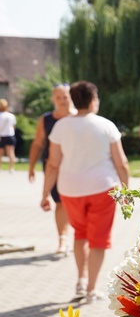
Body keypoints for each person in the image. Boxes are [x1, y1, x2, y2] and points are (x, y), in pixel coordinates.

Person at [40, 81, 129, 300]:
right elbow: (121, 163)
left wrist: (44, 194)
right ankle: (91, 289)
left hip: (70, 190)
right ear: (93, 100)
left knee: (80, 234)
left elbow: (52, 164)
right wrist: (126, 191)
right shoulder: (106, 125)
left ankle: (80, 280)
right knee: (98, 239)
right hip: (103, 188)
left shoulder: (61, 126)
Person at [28, 84, 76, 256]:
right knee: (60, 202)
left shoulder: (79, 117)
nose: (62, 101)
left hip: (75, 166)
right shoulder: (47, 119)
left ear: (71, 97)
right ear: (53, 99)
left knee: (74, 203)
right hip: (52, 166)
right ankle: (63, 239)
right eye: (58, 97)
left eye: (65, 97)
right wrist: (31, 167)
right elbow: (38, 143)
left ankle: (78, 237)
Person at [0, 98, 17, 173]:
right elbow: (14, 127)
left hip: (1, 136)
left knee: (0, 153)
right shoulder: (11, 116)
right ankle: (11, 168)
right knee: (10, 152)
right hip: (10, 135)